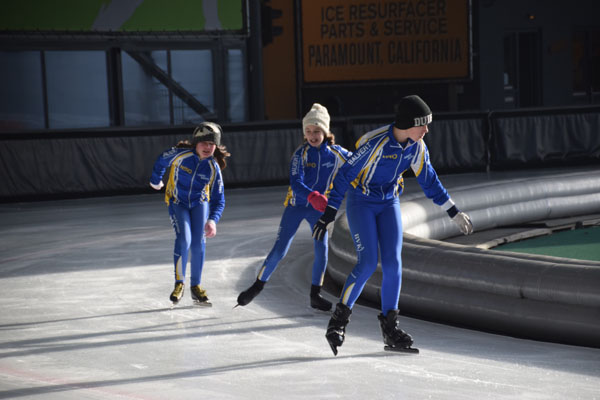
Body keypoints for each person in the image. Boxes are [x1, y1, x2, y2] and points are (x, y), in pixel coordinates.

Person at [312, 95, 474, 355]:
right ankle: (338, 322)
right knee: (367, 262)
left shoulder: (417, 147)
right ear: (408, 124)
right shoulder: (374, 143)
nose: (426, 130)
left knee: (393, 264)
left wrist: (452, 210)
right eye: (423, 124)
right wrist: (330, 212)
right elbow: (344, 176)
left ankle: (390, 328)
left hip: (389, 202)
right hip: (362, 202)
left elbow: (429, 180)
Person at [236, 103, 351, 311]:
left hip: (318, 210)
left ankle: (315, 295)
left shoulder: (337, 154)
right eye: (308, 131)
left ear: (326, 132)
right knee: (280, 249)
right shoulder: (301, 154)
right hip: (296, 207)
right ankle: (257, 286)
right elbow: (295, 182)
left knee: (322, 250)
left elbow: (359, 165)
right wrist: (313, 196)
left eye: (317, 131)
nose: (312, 136)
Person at [150, 122, 230, 306]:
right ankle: (179, 283)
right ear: (196, 143)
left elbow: (219, 199)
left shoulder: (213, 168)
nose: (208, 147)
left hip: (199, 204)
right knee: (184, 239)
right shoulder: (181, 155)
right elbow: (161, 160)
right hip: (178, 202)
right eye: (204, 143)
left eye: (212, 144)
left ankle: (196, 286)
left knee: (198, 243)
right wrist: (156, 180)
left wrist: (213, 220)